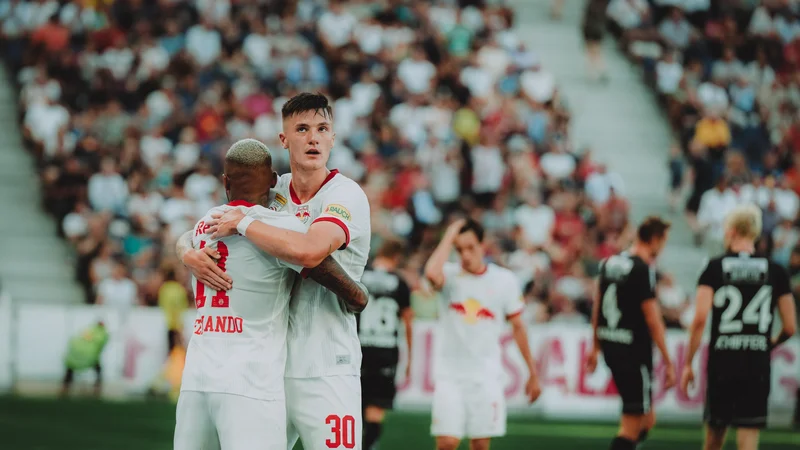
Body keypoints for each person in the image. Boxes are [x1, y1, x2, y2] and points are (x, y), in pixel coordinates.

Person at [182, 93, 371, 450]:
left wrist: (245, 224)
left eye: (322, 128)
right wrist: (187, 252)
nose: (313, 137)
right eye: (302, 129)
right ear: (284, 140)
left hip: (326, 365)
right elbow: (214, 221)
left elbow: (311, 251)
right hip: (272, 369)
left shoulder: (346, 196)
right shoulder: (274, 189)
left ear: (333, 137)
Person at [680, 204, 797, 450]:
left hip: (723, 360)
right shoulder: (775, 270)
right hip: (756, 362)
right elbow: (790, 327)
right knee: (748, 440)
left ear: (731, 231)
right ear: (753, 233)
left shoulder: (714, 267)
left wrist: (689, 363)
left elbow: (700, 318)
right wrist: (769, 343)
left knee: (713, 439)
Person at [423, 218, 542, 450]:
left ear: (483, 245)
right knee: (447, 443)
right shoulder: (448, 276)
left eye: (470, 248)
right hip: (450, 376)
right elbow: (430, 274)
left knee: (480, 445)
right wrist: (449, 234)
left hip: (486, 376)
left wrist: (532, 372)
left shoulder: (504, 280)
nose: (465, 255)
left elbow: (518, 327)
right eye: (459, 250)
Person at [586, 216, 676, 450]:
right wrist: (669, 361)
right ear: (655, 240)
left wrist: (595, 346)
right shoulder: (642, 269)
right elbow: (653, 319)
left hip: (612, 346)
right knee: (633, 424)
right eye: (664, 242)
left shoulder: (609, 263)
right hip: (634, 352)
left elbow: (597, 307)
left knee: (644, 418)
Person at [357, 239, 414, 450]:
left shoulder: (360, 274)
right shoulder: (400, 283)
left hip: (358, 348)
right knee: (376, 408)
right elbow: (408, 321)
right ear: (397, 257)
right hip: (385, 352)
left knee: (355, 405)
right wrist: (410, 357)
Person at [61, 320, 108, 398]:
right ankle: (97, 388)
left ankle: (65, 388)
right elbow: (99, 347)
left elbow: (75, 341)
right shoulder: (102, 334)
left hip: (75, 357)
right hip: (90, 358)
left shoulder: (88, 331)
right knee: (98, 370)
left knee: (70, 369)